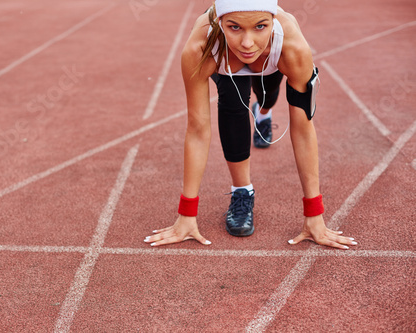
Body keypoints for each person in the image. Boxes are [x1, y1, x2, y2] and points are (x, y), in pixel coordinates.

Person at [144, 0, 357, 249]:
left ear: (273, 21)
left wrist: (315, 216)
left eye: (260, 26)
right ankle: (242, 190)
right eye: (234, 27)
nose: (247, 43)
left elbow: (303, 128)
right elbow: (198, 130)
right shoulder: (201, 46)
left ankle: (263, 113)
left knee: (268, 95)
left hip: (270, 63)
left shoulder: (293, 47)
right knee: (233, 105)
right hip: (225, 60)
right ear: (220, 22)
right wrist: (186, 214)